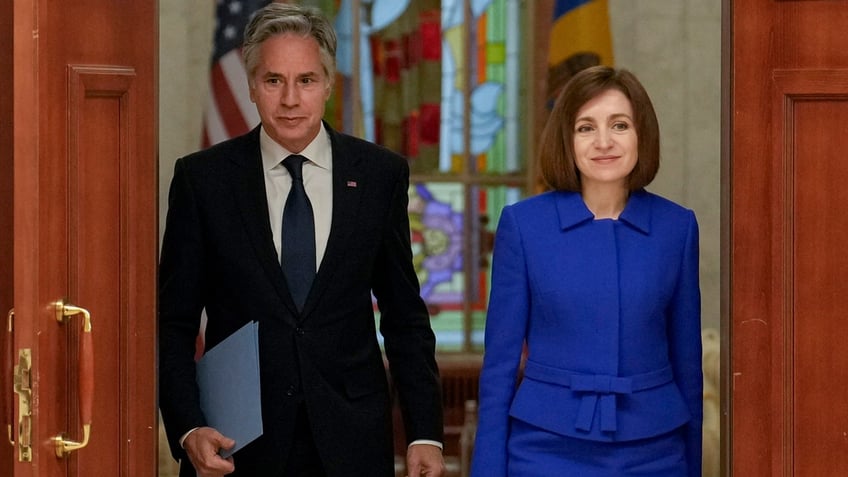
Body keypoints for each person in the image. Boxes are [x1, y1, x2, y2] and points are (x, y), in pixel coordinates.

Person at [158, 4, 445, 477]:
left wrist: (424, 433)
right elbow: (173, 322)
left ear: (329, 83)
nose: (290, 98)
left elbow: (404, 317)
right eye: (273, 81)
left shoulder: (378, 175)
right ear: (251, 86)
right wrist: (189, 426)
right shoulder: (202, 180)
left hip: (352, 438)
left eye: (306, 80)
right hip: (237, 443)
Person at [470, 65, 703, 477]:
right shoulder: (524, 226)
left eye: (619, 125)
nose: (603, 142)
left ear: (641, 134)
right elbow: (500, 367)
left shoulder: (677, 227)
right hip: (544, 448)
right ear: (567, 139)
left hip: (655, 451)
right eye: (585, 128)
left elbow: (688, 363)